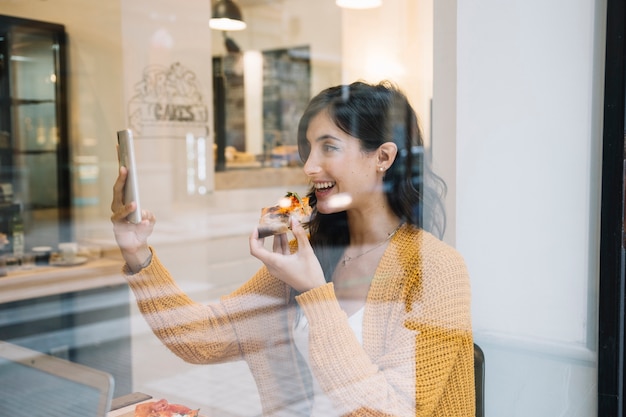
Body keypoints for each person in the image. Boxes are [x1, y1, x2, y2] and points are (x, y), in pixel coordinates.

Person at [111, 80, 474, 417]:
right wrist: (138, 254)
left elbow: (388, 411)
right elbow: (201, 338)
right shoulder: (313, 250)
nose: (309, 166)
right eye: (309, 148)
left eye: (329, 147)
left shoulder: (437, 269)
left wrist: (314, 293)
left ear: (383, 157)